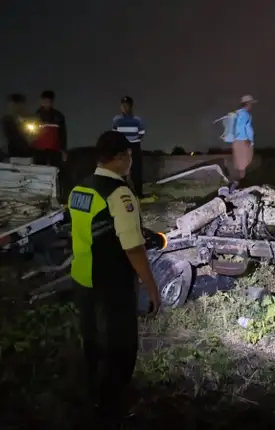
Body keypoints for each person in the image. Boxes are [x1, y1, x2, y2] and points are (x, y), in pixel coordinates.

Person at [68, 130, 161, 428]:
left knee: (93, 341)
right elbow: (133, 247)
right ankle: (112, 410)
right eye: (129, 157)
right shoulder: (119, 194)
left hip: (83, 279)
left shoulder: (80, 189)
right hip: (112, 284)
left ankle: (93, 395)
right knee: (120, 347)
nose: (131, 162)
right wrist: (151, 287)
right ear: (121, 158)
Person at [112, 96, 147, 200]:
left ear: (131, 107)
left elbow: (141, 133)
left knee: (136, 171)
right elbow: (114, 133)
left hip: (135, 146)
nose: (125, 108)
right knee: (121, 171)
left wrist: (132, 142)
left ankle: (139, 194)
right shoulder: (116, 120)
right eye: (123, 106)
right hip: (122, 147)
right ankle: (122, 194)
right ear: (121, 107)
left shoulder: (137, 120)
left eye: (127, 106)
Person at [228, 94, 256, 192]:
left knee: (240, 164)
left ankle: (236, 185)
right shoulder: (245, 114)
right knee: (243, 165)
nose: (251, 105)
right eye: (251, 103)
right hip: (242, 141)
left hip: (237, 141)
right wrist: (246, 139)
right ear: (247, 103)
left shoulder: (237, 113)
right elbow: (242, 126)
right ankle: (237, 187)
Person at [32, 90, 67, 168]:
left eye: (48, 101)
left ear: (51, 102)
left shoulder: (58, 117)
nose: (46, 103)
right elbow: (31, 135)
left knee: (55, 172)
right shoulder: (35, 117)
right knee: (39, 171)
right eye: (44, 101)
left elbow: (63, 134)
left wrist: (63, 151)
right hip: (39, 151)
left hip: (55, 151)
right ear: (41, 101)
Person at [0, 93, 30, 160]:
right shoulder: (6, 120)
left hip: (19, 154)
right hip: (9, 154)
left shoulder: (20, 119)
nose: (22, 107)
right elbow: (11, 138)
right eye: (20, 104)